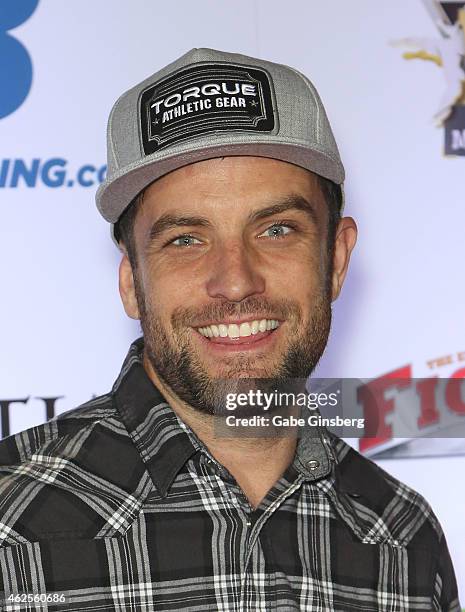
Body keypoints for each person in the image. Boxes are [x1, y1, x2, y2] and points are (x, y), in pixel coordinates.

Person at [0, 48, 460, 611]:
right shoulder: (10, 519)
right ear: (130, 281)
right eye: (185, 240)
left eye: (277, 229)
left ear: (336, 260)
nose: (236, 281)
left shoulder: (404, 539)